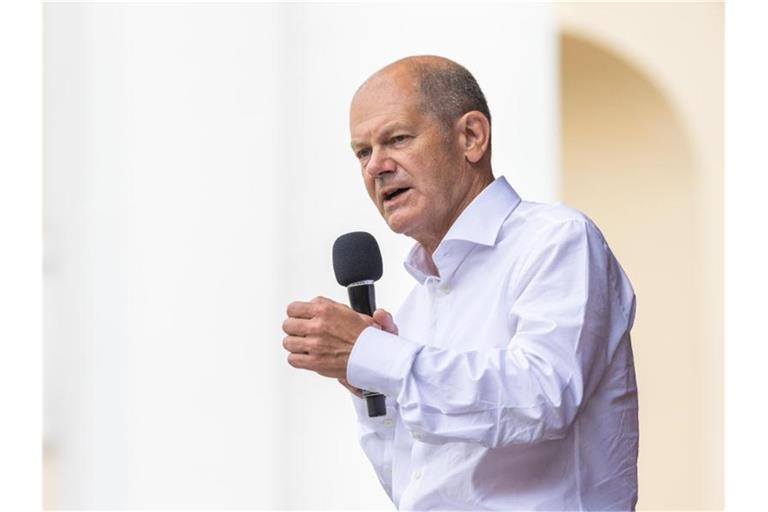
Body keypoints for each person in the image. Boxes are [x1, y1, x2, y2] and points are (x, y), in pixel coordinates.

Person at [282, 55, 638, 511]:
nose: (375, 167)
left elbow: (542, 396)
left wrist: (376, 356)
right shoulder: (414, 309)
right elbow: (415, 488)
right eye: (362, 152)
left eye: (397, 139)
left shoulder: (556, 241)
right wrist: (371, 386)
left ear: (471, 137)